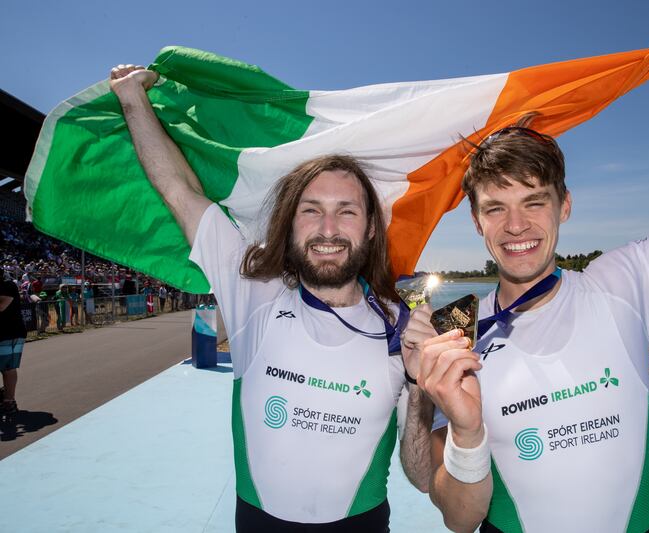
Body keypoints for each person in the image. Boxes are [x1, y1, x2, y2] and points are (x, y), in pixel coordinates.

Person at [411, 23, 649, 532]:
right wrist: (466, 432)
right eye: (496, 208)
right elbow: (461, 520)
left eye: (534, 202)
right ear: (476, 221)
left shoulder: (619, 281)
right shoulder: (456, 331)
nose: (516, 226)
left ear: (564, 206)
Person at [110, 64, 430, 531]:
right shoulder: (253, 294)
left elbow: (422, 477)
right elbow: (179, 192)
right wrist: (131, 98)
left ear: (370, 228)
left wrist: (422, 389)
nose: (327, 230)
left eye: (346, 212)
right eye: (311, 211)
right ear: (290, 221)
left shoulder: (403, 325)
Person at [0, 272, 26, 420]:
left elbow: (1, 306)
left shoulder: (8, 286)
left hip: (10, 333)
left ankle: (9, 401)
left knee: (8, 367)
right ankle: (3, 394)